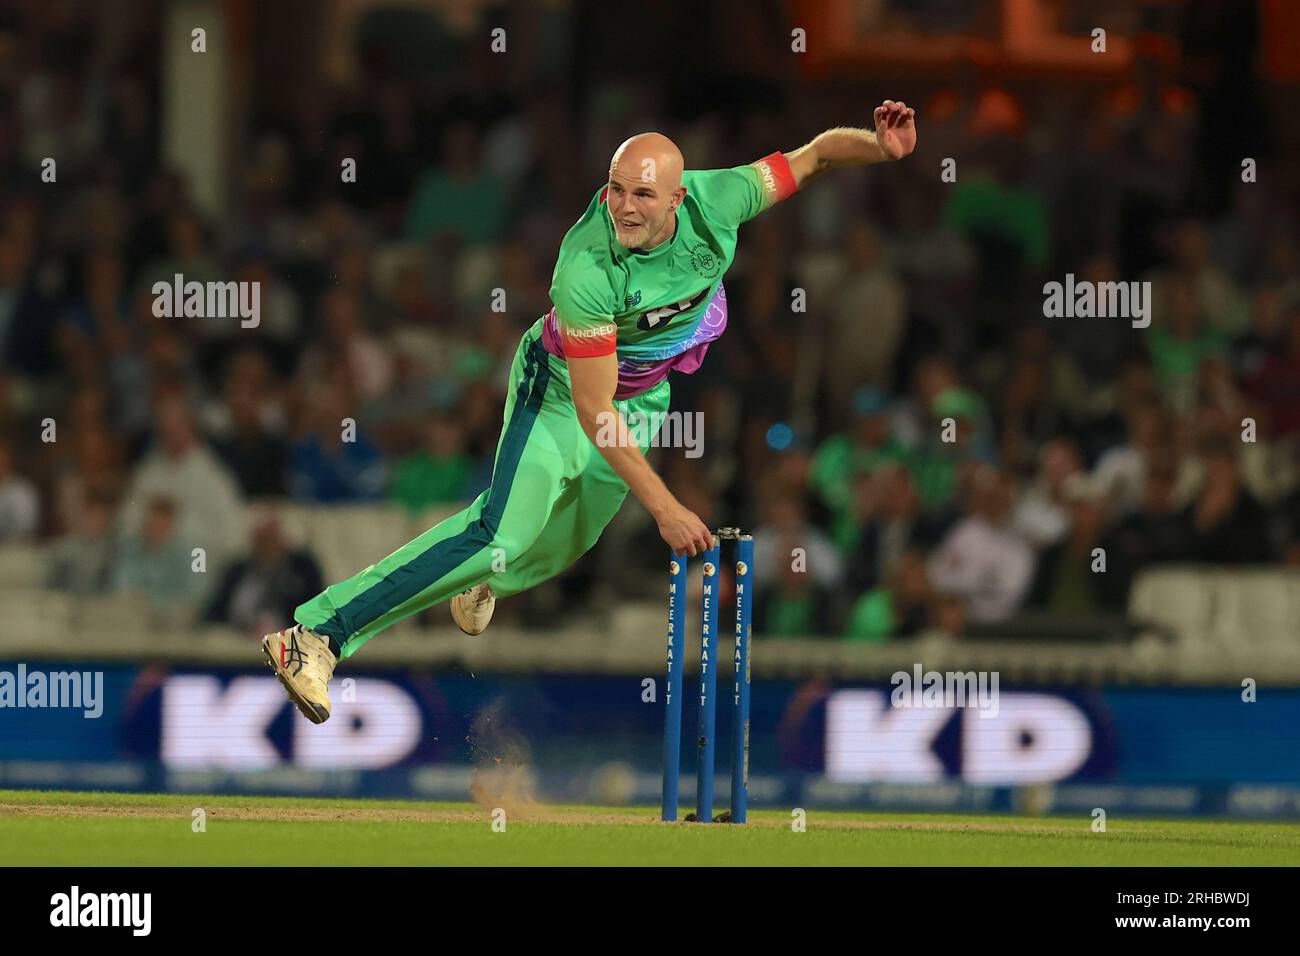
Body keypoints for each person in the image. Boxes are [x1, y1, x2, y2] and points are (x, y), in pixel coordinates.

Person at [263, 102, 919, 723]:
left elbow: (814, 158)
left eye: (642, 195)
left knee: (567, 541)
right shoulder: (585, 266)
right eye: (616, 190)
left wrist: (880, 149)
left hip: (644, 395)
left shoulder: (721, 195)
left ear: (678, 197)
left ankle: (488, 578)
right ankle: (316, 634)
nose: (625, 208)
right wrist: (666, 506)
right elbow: (593, 411)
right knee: (499, 533)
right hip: (558, 396)